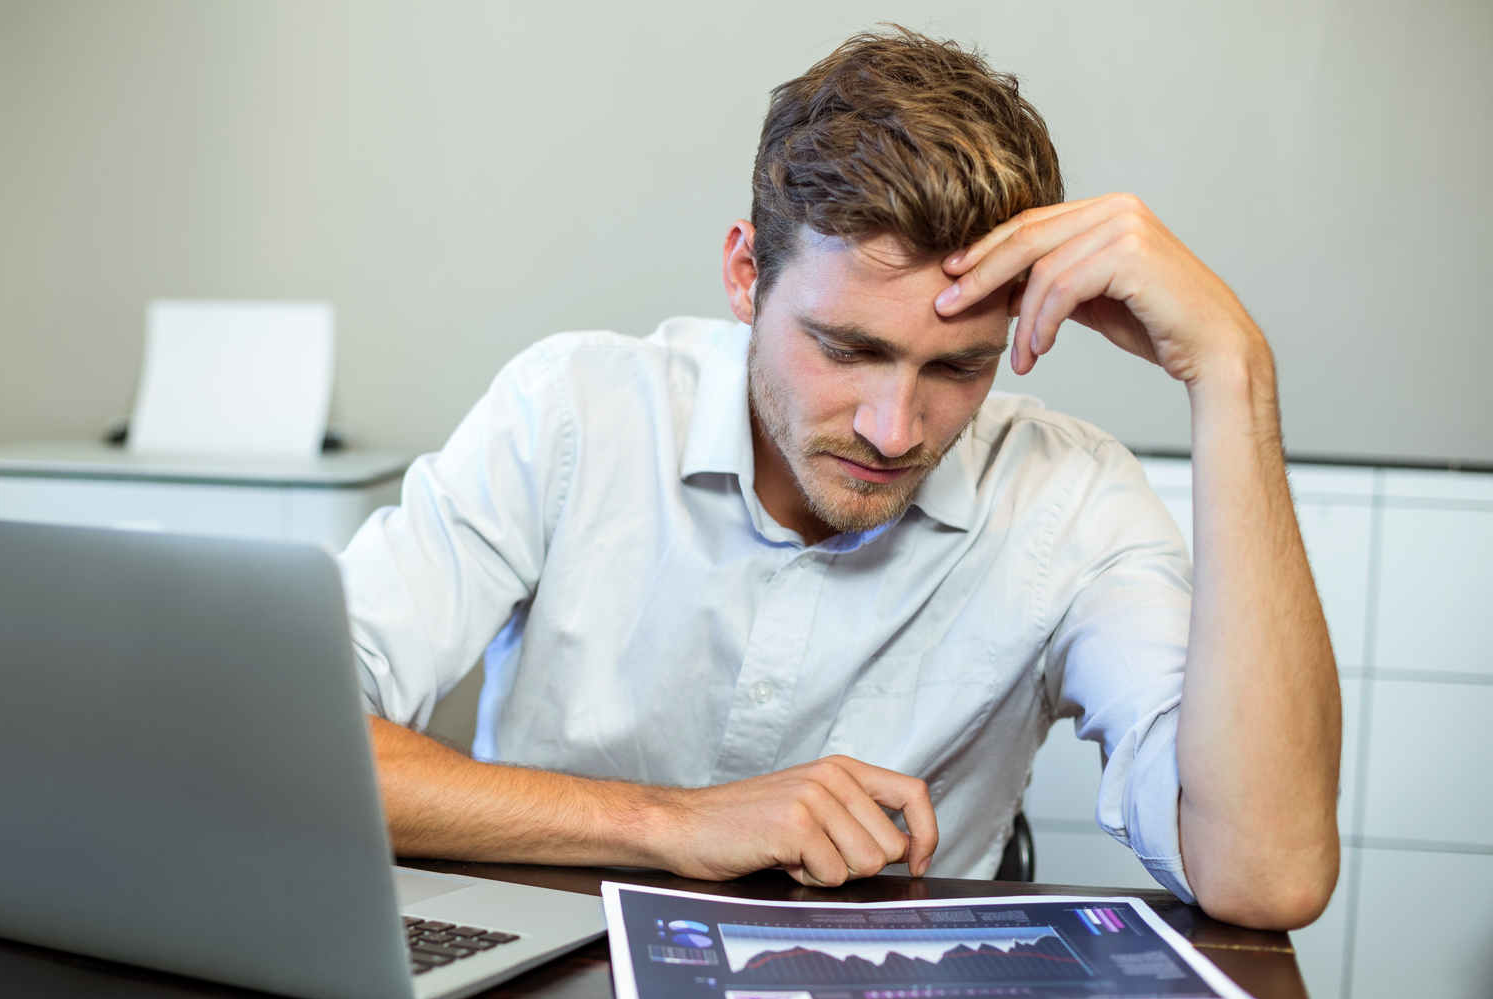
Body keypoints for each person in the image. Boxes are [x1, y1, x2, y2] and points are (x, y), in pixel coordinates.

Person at [338, 28, 1340, 930]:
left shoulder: (1070, 499)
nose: (893, 428)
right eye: (845, 347)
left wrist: (1231, 372)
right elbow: (292, 749)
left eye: (956, 366)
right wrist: (671, 824)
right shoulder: (570, 411)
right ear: (744, 276)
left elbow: (1267, 875)